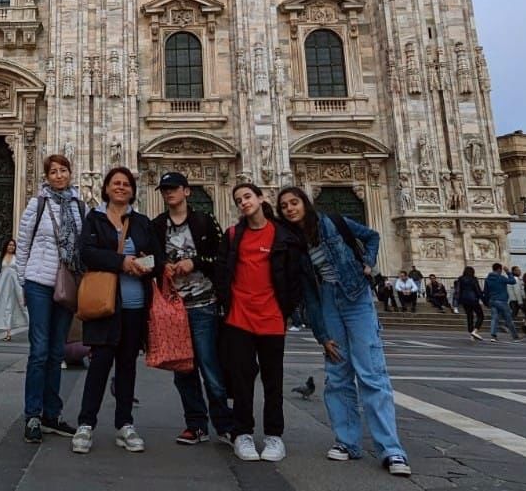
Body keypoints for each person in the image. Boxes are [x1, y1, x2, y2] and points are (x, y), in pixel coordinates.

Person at [277, 187, 412, 477]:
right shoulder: (293, 244)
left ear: (306, 203)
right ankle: (347, 442)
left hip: (356, 298)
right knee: (337, 373)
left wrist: (369, 262)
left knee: (372, 374)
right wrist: (321, 334)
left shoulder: (332, 222)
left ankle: (391, 450)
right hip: (328, 301)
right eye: (284, 205)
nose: (290, 208)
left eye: (294, 202)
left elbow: (372, 236)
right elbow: (309, 294)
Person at [71, 167, 157, 455]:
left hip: (134, 305)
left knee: (127, 366)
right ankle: (86, 424)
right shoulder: (94, 219)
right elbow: (87, 253)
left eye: (125, 184)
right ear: (106, 188)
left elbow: (155, 256)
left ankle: (125, 424)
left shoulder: (142, 222)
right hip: (105, 303)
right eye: (115, 183)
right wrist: (122, 262)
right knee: (99, 363)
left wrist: (144, 262)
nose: (120, 187)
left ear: (132, 190)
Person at [217, 182, 301, 464]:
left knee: (272, 380)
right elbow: (222, 272)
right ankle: (242, 433)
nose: (244, 202)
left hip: (271, 317)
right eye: (239, 199)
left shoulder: (282, 235)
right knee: (241, 379)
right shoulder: (232, 235)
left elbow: (293, 275)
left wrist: (286, 309)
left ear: (261, 198)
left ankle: (274, 436)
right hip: (239, 317)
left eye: (248, 196)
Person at [150, 171, 234, 446]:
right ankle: (196, 425)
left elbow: (222, 256)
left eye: (173, 188)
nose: (168, 193)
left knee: (210, 367)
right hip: (174, 308)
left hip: (203, 304)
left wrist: (194, 263)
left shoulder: (204, 220)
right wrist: (163, 266)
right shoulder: (157, 225)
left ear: (187, 191)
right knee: (183, 368)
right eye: (164, 190)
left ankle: (224, 424)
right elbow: (151, 259)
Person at [14, 153, 85, 444]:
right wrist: (22, 280)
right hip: (39, 282)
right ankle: (32, 414)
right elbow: (23, 241)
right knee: (40, 350)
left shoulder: (80, 206)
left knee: (57, 352)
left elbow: (86, 243)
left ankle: (51, 414)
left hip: (67, 282)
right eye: (53, 171)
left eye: (63, 170)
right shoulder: (37, 203)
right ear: (46, 176)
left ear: (70, 173)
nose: (58, 175)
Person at [0, 238, 27, 341]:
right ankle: (8, 333)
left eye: (13, 245)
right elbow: (0, 273)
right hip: (4, 287)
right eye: (9, 245)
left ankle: (32, 325)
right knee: (6, 307)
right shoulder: (2, 257)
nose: (11, 247)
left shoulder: (17, 258)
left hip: (16, 285)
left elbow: (21, 272)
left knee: (22, 305)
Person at [484, 263, 520, 341]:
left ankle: (493, 336)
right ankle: (515, 337)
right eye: (501, 270)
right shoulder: (501, 278)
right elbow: (513, 281)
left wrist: (487, 302)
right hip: (502, 300)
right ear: (499, 269)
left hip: (492, 300)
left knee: (494, 318)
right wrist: (508, 272)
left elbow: (485, 292)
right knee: (508, 319)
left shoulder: (487, 279)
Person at [455, 267, 485, 340]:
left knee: (469, 316)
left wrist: (457, 301)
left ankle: (471, 334)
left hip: (464, 300)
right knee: (480, 315)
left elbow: (458, 290)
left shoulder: (460, 279)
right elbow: (477, 290)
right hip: (473, 299)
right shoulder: (473, 279)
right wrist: (483, 299)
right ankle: (475, 331)